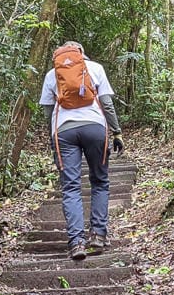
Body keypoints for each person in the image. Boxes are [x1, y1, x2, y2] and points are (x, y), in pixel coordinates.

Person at [39, 41, 124, 260]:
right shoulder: (95, 68)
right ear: (81, 54)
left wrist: (53, 140)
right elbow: (106, 103)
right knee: (100, 181)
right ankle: (97, 234)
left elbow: (49, 112)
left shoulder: (53, 74)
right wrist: (116, 132)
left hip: (64, 132)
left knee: (70, 188)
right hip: (95, 129)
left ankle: (76, 242)